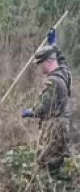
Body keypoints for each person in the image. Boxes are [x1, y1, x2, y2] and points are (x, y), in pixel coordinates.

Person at [21, 43, 77, 177]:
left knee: (45, 162)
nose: (39, 67)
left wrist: (31, 112)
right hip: (65, 125)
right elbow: (63, 62)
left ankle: (52, 185)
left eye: (40, 64)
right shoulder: (64, 73)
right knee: (57, 159)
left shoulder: (52, 81)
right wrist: (55, 47)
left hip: (56, 127)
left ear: (47, 62)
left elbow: (44, 109)